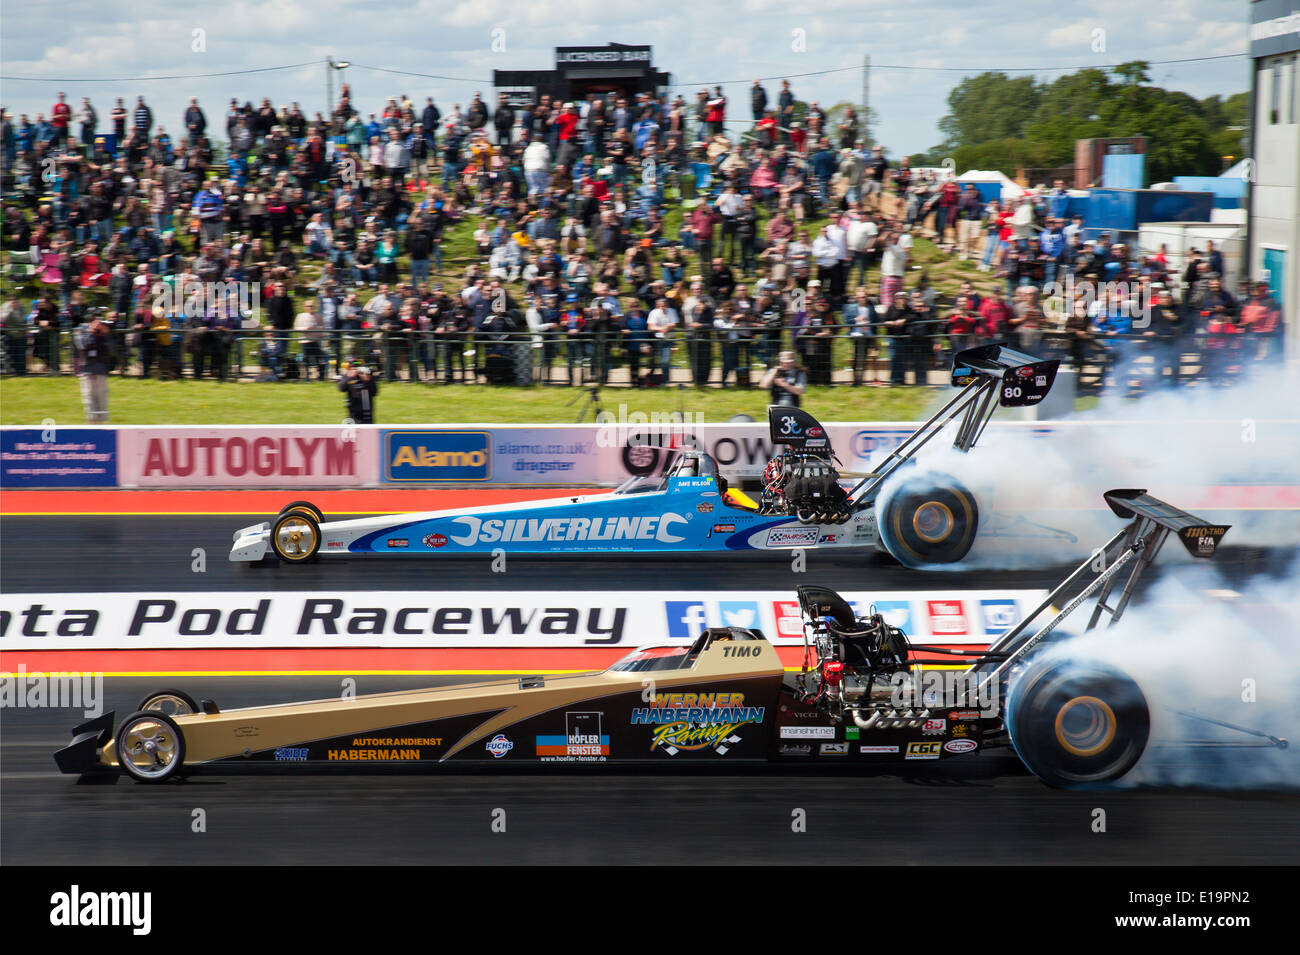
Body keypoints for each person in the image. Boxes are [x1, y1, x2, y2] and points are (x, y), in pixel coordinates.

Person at [75, 312, 115, 422]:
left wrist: (105, 334)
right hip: (87, 369)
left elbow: (112, 350)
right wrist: (91, 332)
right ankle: (91, 424)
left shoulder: (105, 332)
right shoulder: (82, 330)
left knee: (102, 397)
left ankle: (102, 424)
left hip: (101, 369)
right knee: (89, 397)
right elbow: (82, 345)